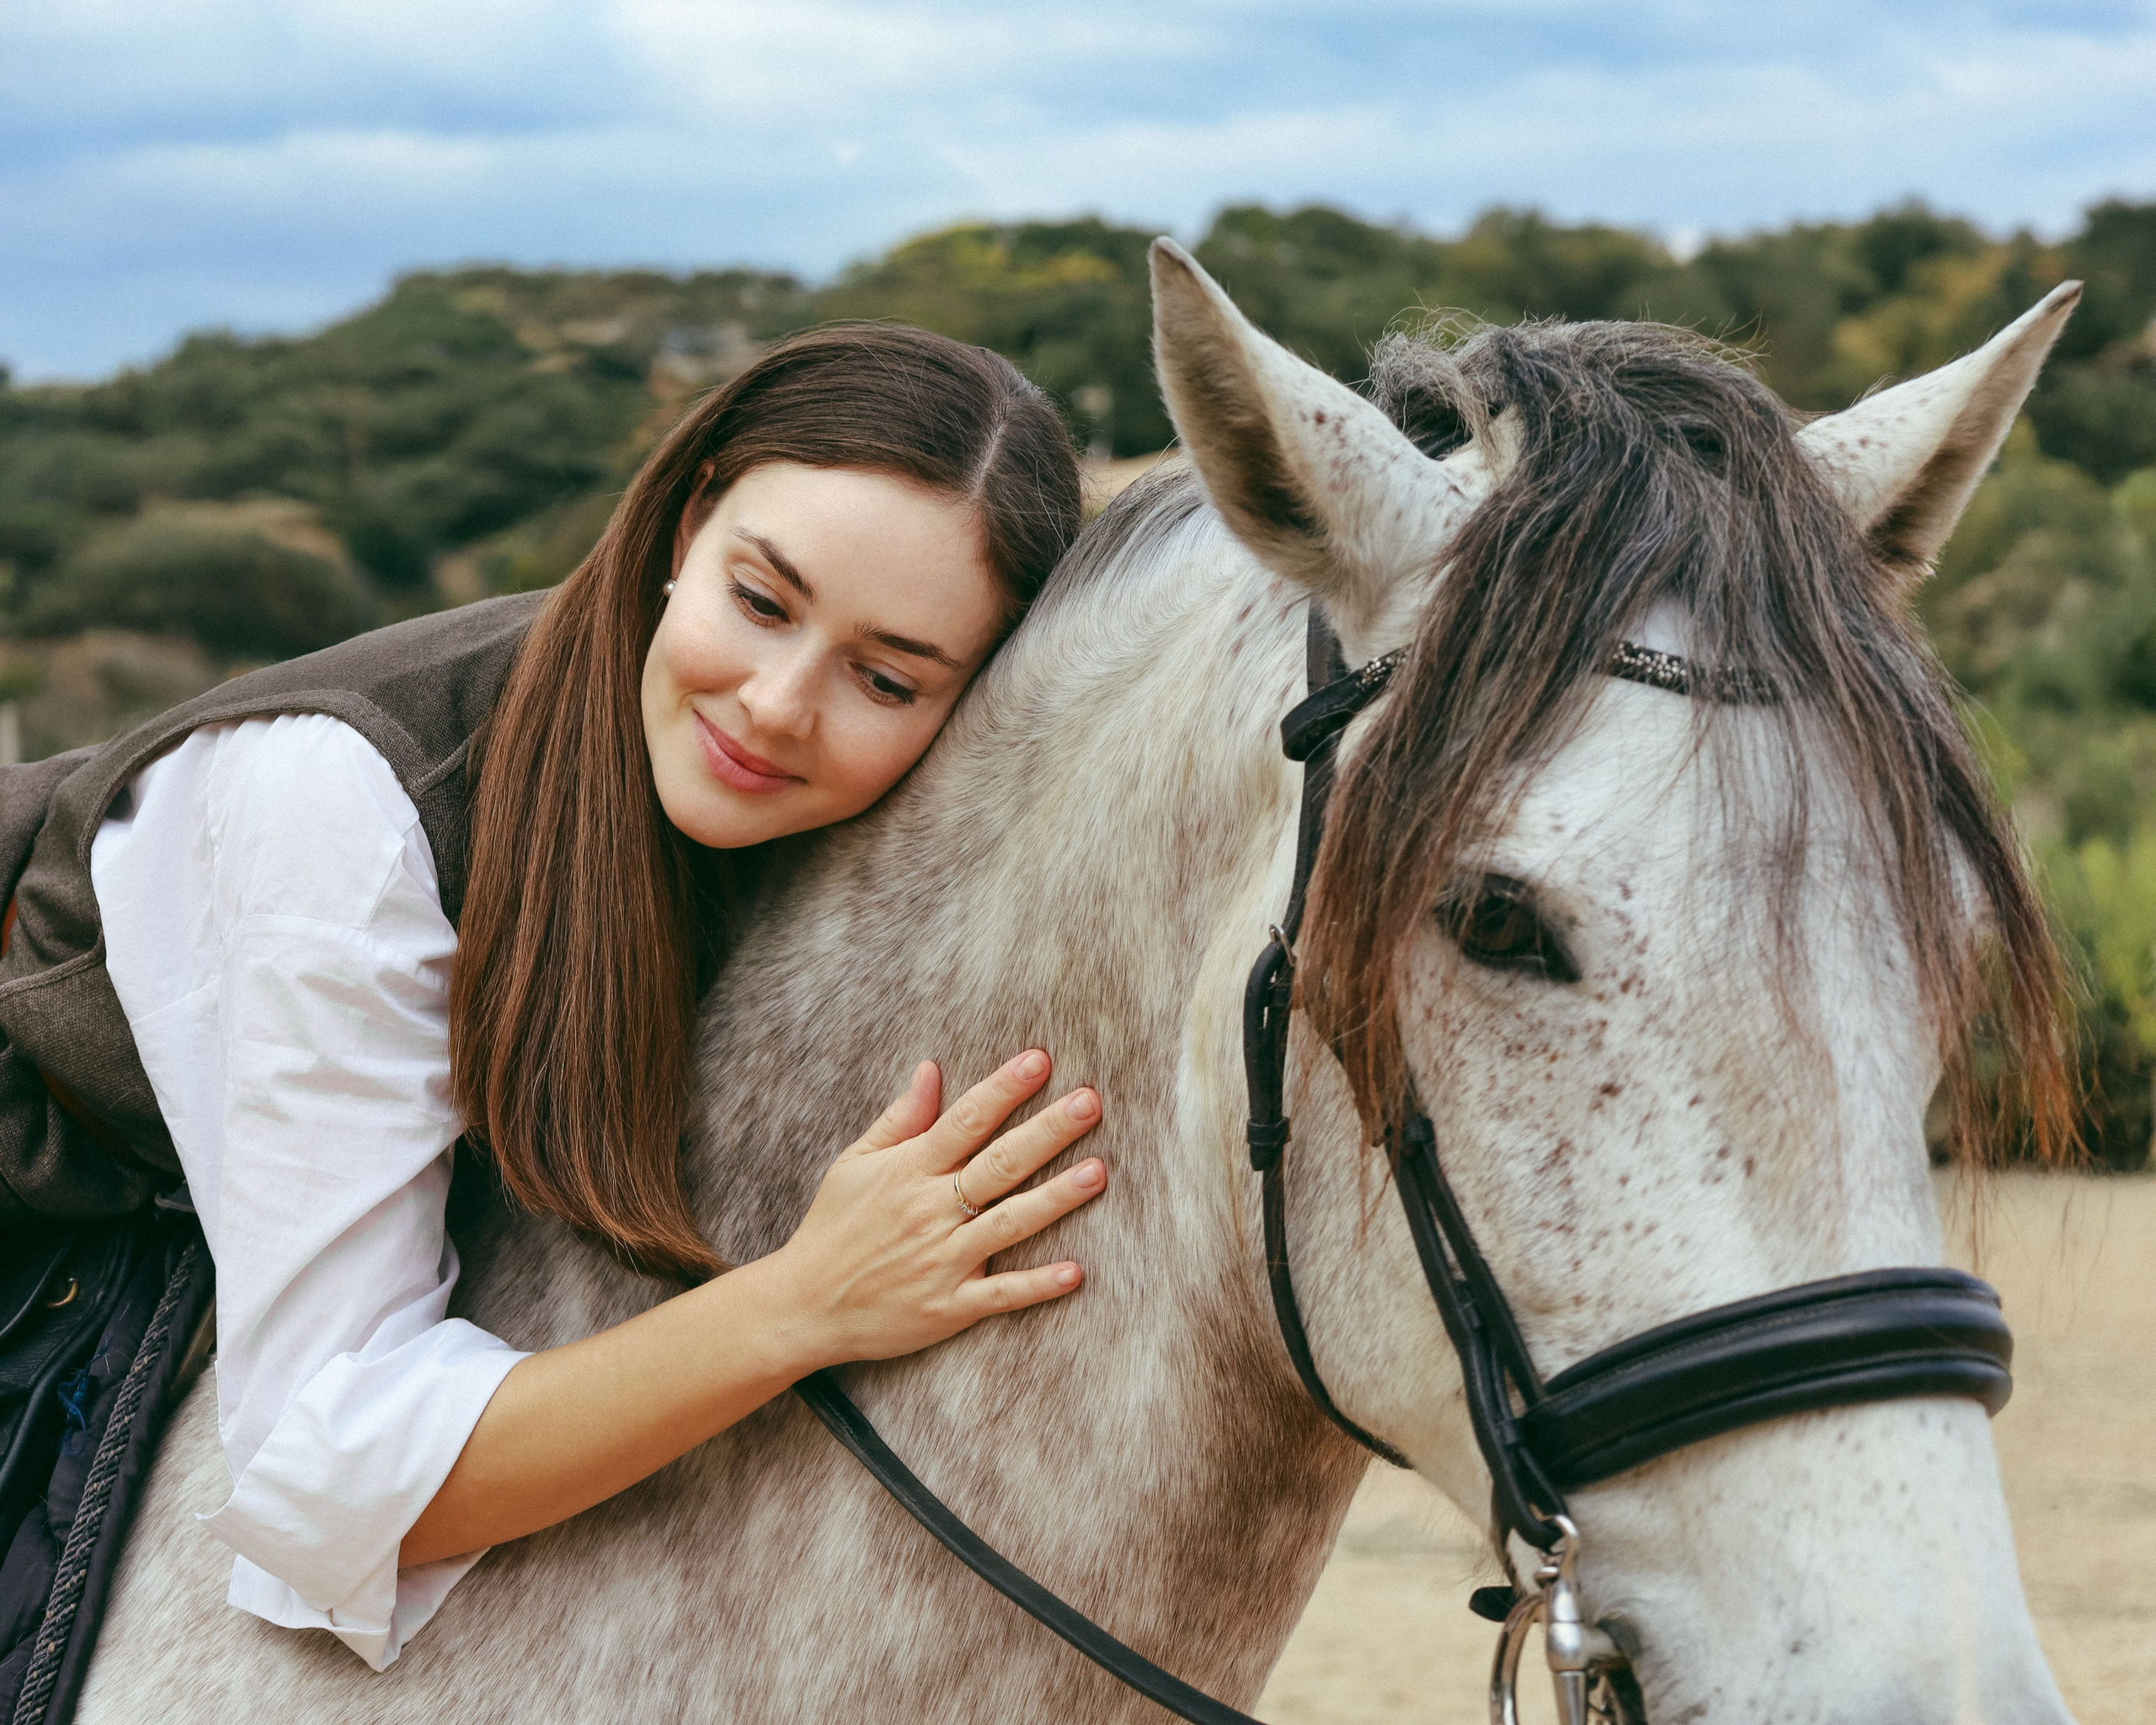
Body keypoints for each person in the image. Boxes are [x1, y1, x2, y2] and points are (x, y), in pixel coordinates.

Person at [19, 323, 1102, 1671]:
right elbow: (326, 1481)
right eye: (761, 602)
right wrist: (801, 1302)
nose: (774, 706)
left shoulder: (798, 799)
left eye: (885, 679)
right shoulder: (343, 807)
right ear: (688, 519)